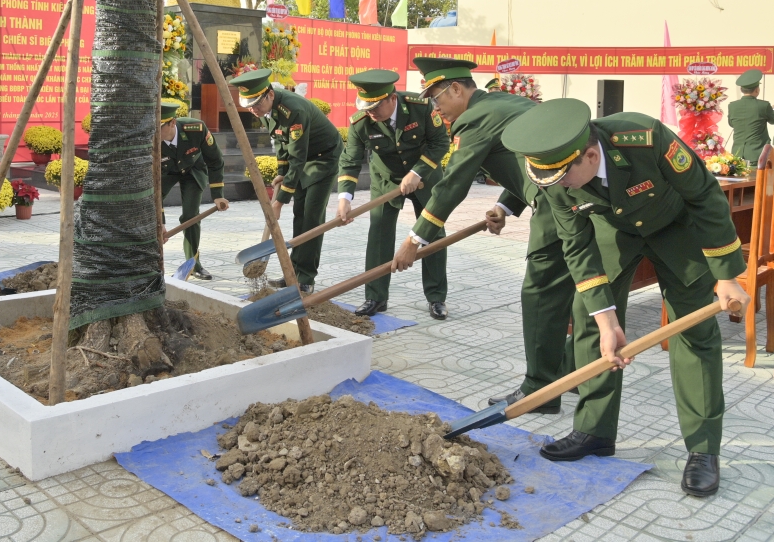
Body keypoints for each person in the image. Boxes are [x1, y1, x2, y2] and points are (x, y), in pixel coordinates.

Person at [501, 98, 750, 497]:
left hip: (676, 226)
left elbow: (705, 195)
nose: (560, 187)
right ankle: (594, 431)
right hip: (613, 231)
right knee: (588, 319)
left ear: (591, 154)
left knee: (696, 334)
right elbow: (576, 245)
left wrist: (727, 276)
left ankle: (703, 450)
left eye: (565, 177)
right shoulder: (556, 174)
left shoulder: (643, 138)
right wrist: (607, 318)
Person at [390, 58, 576, 411]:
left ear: (457, 89)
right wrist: (506, 207)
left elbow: (452, 184)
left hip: (557, 209)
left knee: (540, 293)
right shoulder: (506, 102)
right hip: (572, 199)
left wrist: (414, 241)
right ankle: (578, 373)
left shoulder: (474, 118)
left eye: (437, 99)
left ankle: (540, 390)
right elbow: (529, 160)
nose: (436, 108)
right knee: (581, 291)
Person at [335, 69, 449, 318]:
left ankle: (436, 297)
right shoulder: (361, 122)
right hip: (385, 180)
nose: (371, 113)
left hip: (425, 178)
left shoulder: (420, 107)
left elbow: (440, 143)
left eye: (375, 106)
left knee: (433, 234)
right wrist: (345, 198)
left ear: (392, 99)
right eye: (367, 107)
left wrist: (417, 172)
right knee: (378, 235)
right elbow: (350, 161)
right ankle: (375, 297)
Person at [231, 68, 341, 293]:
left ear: (270, 95)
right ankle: (293, 275)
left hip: (322, 160)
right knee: (299, 217)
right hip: (303, 158)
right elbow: (281, 144)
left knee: (311, 218)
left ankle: (306, 280)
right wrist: (282, 173)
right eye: (249, 105)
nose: (253, 110)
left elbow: (298, 158)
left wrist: (279, 201)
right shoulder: (267, 111)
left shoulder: (293, 110)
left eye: (256, 104)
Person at [158, 99, 229, 278]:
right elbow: (153, 191)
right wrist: (161, 222)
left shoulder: (195, 129)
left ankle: (194, 264)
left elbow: (215, 160)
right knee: (154, 217)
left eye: (159, 127)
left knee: (191, 216)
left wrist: (218, 195)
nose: (154, 132)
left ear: (172, 122)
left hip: (192, 170)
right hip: (164, 173)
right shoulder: (150, 141)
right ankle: (154, 266)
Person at [727, 68, 774, 166]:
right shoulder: (764, 105)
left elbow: (731, 123)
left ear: (741, 89)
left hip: (737, 153)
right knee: (758, 180)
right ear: (757, 90)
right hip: (757, 154)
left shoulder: (732, 105)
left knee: (740, 180)